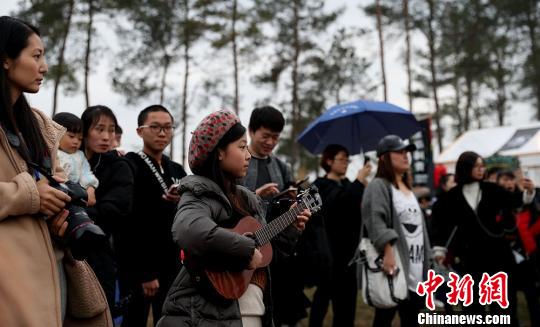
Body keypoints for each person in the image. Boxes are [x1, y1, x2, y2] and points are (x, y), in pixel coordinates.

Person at [158, 109, 310, 327]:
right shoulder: (198, 193)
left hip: (253, 311)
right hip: (207, 315)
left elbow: (264, 255)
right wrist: (245, 249)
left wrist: (291, 229)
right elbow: (187, 230)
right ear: (219, 152)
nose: (248, 155)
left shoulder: (248, 200)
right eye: (241, 147)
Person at [0, 16, 72, 326]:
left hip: (52, 270)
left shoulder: (41, 126)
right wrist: (29, 195)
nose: (43, 67)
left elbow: (55, 184)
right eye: (36, 56)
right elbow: (33, 193)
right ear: (5, 59)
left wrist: (60, 209)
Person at [431, 152, 536, 326]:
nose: (481, 169)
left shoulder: (491, 189)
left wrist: (528, 192)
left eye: (482, 166)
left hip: (498, 258)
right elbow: (441, 224)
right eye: (477, 166)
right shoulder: (451, 197)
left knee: (503, 310)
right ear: (466, 168)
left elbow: (513, 201)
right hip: (469, 260)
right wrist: (440, 249)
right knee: (473, 310)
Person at [121, 105, 187, 326]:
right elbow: (131, 223)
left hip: (174, 262)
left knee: (170, 320)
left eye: (167, 128)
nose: (162, 133)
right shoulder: (130, 165)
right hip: (142, 263)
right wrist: (145, 273)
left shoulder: (177, 170)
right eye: (155, 127)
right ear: (140, 131)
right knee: (135, 319)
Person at [362, 135, 431, 327]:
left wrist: (430, 258)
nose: (405, 156)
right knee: (384, 319)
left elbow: (420, 229)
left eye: (406, 151)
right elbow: (375, 220)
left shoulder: (408, 189)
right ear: (384, 158)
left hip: (416, 267)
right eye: (399, 152)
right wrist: (388, 252)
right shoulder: (378, 186)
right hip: (394, 267)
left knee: (413, 320)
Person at [308, 144, 370, 327]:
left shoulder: (348, 185)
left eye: (347, 159)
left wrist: (363, 187)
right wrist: (358, 181)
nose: (346, 163)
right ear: (328, 161)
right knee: (322, 302)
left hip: (349, 256)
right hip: (327, 255)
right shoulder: (318, 185)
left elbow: (357, 211)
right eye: (342, 159)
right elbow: (336, 204)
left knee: (347, 308)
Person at [81, 105, 134, 312]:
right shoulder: (66, 162)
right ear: (84, 131)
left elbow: (115, 210)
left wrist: (76, 213)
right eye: (99, 129)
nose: (106, 136)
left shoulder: (119, 166)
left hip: (102, 256)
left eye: (111, 130)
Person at [242, 105, 293, 199]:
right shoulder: (236, 162)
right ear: (251, 131)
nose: (270, 142)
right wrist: (255, 195)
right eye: (265, 136)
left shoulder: (283, 168)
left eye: (275, 137)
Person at [53, 112, 99, 207]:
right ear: (55, 133)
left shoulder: (80, 155)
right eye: (71, 136)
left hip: (75, 195)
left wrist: (90, 188)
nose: (76, 141)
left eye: (80, 139)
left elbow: (85, 173)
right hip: (54, 194)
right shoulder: (51, 152)